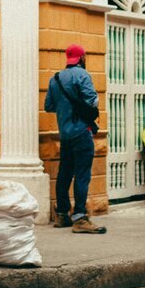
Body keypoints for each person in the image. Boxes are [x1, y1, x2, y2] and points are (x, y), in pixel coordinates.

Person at [44, 44, 107, 234]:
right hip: (81, 132)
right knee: (82, 174)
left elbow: (48, 106)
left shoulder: (55, 79)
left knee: (65, 173)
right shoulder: (82, 75)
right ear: (82, 58)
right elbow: (93, 101)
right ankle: (80, 217)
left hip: (65, 134)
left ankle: (62, 214)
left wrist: (65, 109)